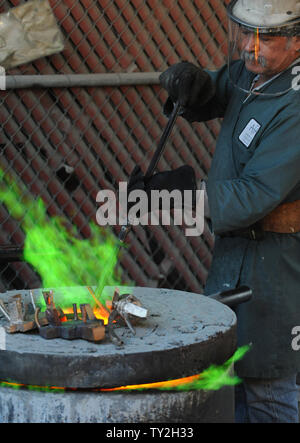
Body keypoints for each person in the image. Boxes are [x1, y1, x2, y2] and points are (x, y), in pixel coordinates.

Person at [128, 0, 300, 423]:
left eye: (264, 37)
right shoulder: (256, 73)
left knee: (267, 382)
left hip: (278, 263)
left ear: (298, 41)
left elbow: (256, 193)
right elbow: (218, 90)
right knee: (231, 374)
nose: (248, 46)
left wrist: (184, 195)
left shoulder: (296, 105)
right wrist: (194, 84)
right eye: (244, 32)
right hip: (238, 255)